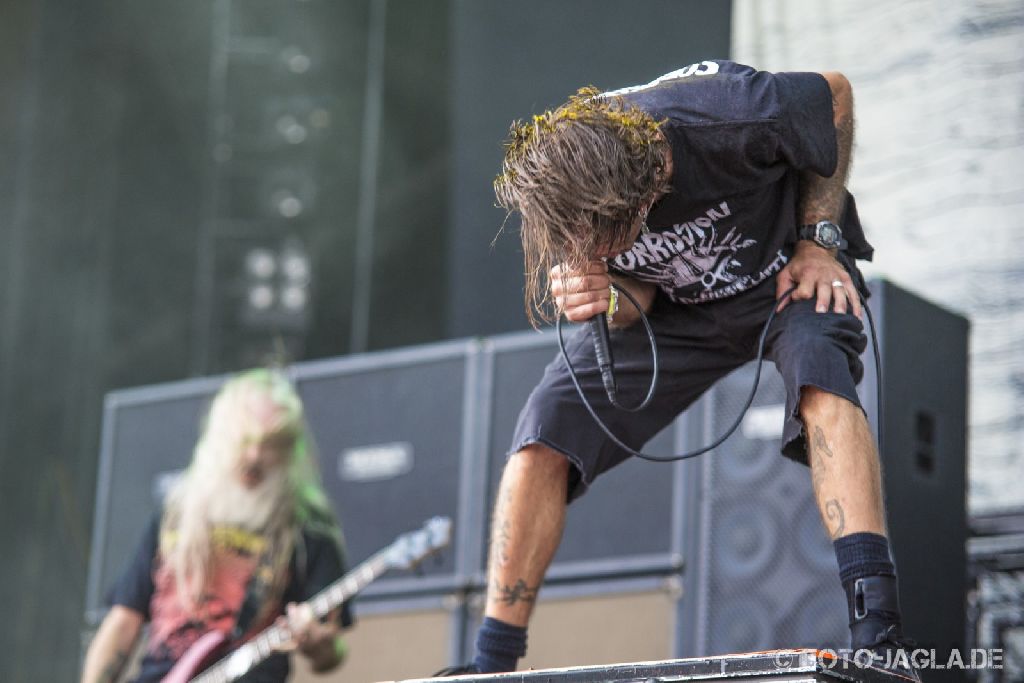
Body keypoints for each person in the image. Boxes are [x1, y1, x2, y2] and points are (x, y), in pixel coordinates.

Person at [442, 60, 920, 677]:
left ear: (651, 186)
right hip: (674, 315)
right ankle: (491, 662)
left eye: (602, 236)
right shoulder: (567, 180)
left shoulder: (730, 111)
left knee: (817, 369)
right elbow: (637, 300)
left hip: (781, 275)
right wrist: (606, 298)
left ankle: (878, 632)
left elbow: (834, 94)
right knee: (545, 426)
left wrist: (818, 240)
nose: (583, 248)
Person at [81, 369, 353, 683]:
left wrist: (316, 642)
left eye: (271, 444)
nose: (254, 457)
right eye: (245, 440)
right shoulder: (176, 513)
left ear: (291, 450)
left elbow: (331, 654)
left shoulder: (309, 530)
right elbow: (124, 620)